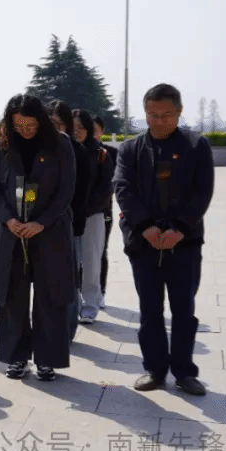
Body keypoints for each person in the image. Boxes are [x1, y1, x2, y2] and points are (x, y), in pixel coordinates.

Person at [115, 84, 213, 396]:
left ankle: (184, 371)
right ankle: (154, 369)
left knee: (184, 309)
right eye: (152, 115)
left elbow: (203, 191)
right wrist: (145, 227)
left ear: (179, 112)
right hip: (144, 244)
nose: (158, 121)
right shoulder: (130, 149)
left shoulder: (196, 146)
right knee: (149, 309)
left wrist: (179, 229)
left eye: (166, 115)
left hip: (184, 243)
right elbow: (123, 188)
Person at [0, 95, 76, 381]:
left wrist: (41, 222)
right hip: (12, 232)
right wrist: (8, 219)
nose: (25, 131)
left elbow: (66, 190)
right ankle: (16, 357)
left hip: (49, 232)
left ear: (42, 121)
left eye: (30, 125)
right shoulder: (2, 146)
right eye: (19, 126)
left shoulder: (60, 144)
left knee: (50, 296)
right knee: (12, 296)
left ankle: (48, 359)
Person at [49, 99, 90, 341]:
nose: (54, 129)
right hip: (44, 227)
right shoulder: (42, 151)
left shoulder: (78, 152)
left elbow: (80, 193)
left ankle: (67, 328)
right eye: (50, 123)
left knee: (69, 279)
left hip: (70, 225)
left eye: (58, 124)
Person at [73, 109, 113, 323]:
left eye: (82, 127)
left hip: (92, 215)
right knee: (69, 263)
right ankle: (72, 304)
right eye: (73, 127)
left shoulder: (99, 153)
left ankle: (90, 305)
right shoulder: (64, 151)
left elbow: (106, 185)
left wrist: (87, 207)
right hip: (67, 216)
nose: (77, 131)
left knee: (91, 261)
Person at [92, 115, 118, 307]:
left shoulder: (111, 153)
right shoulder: (75, 151)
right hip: (78, 213)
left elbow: (113, 183)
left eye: (95, 129)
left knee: (100, 252)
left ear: (101, 131)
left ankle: (100, 291)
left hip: (103, 210)